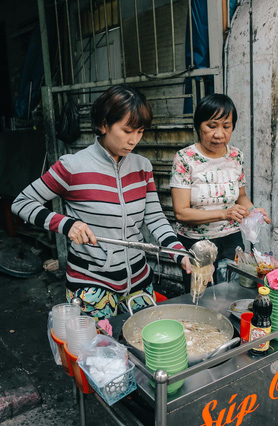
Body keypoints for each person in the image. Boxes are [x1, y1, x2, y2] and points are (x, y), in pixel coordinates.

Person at [12, 84, 191, 319]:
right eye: (127, 130)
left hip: (139, 283)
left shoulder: (142, 167)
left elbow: (155, 218)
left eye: (140, 132)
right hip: (91, 287)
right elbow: (22, 202)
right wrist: (66, 224)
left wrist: (180, 253)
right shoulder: (72, 166)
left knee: (141, 350)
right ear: (104, 124)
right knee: (97, 352)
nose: (134, 140)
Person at [170, 93, 270, 291]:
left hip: (231, 240)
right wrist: (224, 213)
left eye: (226, 126)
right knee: (199, 298)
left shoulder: (236, 156)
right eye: (212, 125)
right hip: (197, 244)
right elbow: (181, 213)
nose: (219, 134)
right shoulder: (185, 158)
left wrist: (255, 210)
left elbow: (240, 196)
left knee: (232, 293)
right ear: (199, 125)